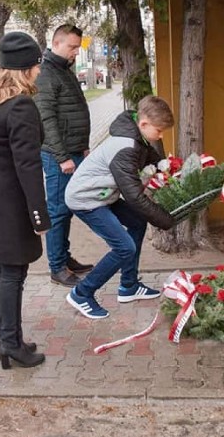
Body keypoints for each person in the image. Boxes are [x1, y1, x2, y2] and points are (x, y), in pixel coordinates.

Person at [0, 32, 50, 370]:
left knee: (0, 269)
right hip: (9, 202)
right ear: (25, 69)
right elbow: (28, 166)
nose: (39, 71)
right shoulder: (20, 105)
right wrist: (39, 215)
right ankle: (11, 343)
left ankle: (7, 338)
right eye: (36, 65)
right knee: (13, 272)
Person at [64, 96, 178, 319]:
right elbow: (134, 197)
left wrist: (165, 169)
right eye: (159, 130)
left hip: (103, 194)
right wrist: (165, 220)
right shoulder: (125, 146)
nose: (161, 135)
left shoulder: (137, 137)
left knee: (136, 222)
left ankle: (129, 286)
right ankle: (82, 293)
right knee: (124, 247)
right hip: (86, 199)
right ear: (143, 124)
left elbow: (150, 159)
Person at [34, 24, 94, 287]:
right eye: (71, 47)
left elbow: (73, 111)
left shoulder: (63, 70)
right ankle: (56, 267)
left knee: (67, 209)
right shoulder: (46, 74)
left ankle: (65, 257)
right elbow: (46, 120)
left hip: (73, 151)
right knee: (58, 211)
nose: (75, 53)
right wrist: (61, 157)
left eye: (77, 48)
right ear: (56, 43)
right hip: (60, 157)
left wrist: (82, 145)